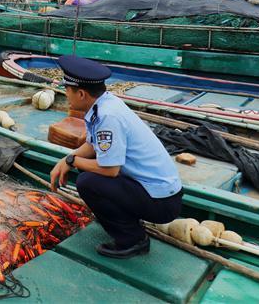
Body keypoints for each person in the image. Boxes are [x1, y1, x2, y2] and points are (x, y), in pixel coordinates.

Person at [49, 55, 183, 259]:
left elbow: (110, 170)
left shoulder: (107, 117)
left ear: (82, 94)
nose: (65, 94)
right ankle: (124, 220)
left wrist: (73, 161)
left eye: (67, 90)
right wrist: (65, 160)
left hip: (162, 202)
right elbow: (92, 144)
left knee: (87, 181)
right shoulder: (104, 105)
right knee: (88, 171)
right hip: (156, 192)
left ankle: (133, 240)